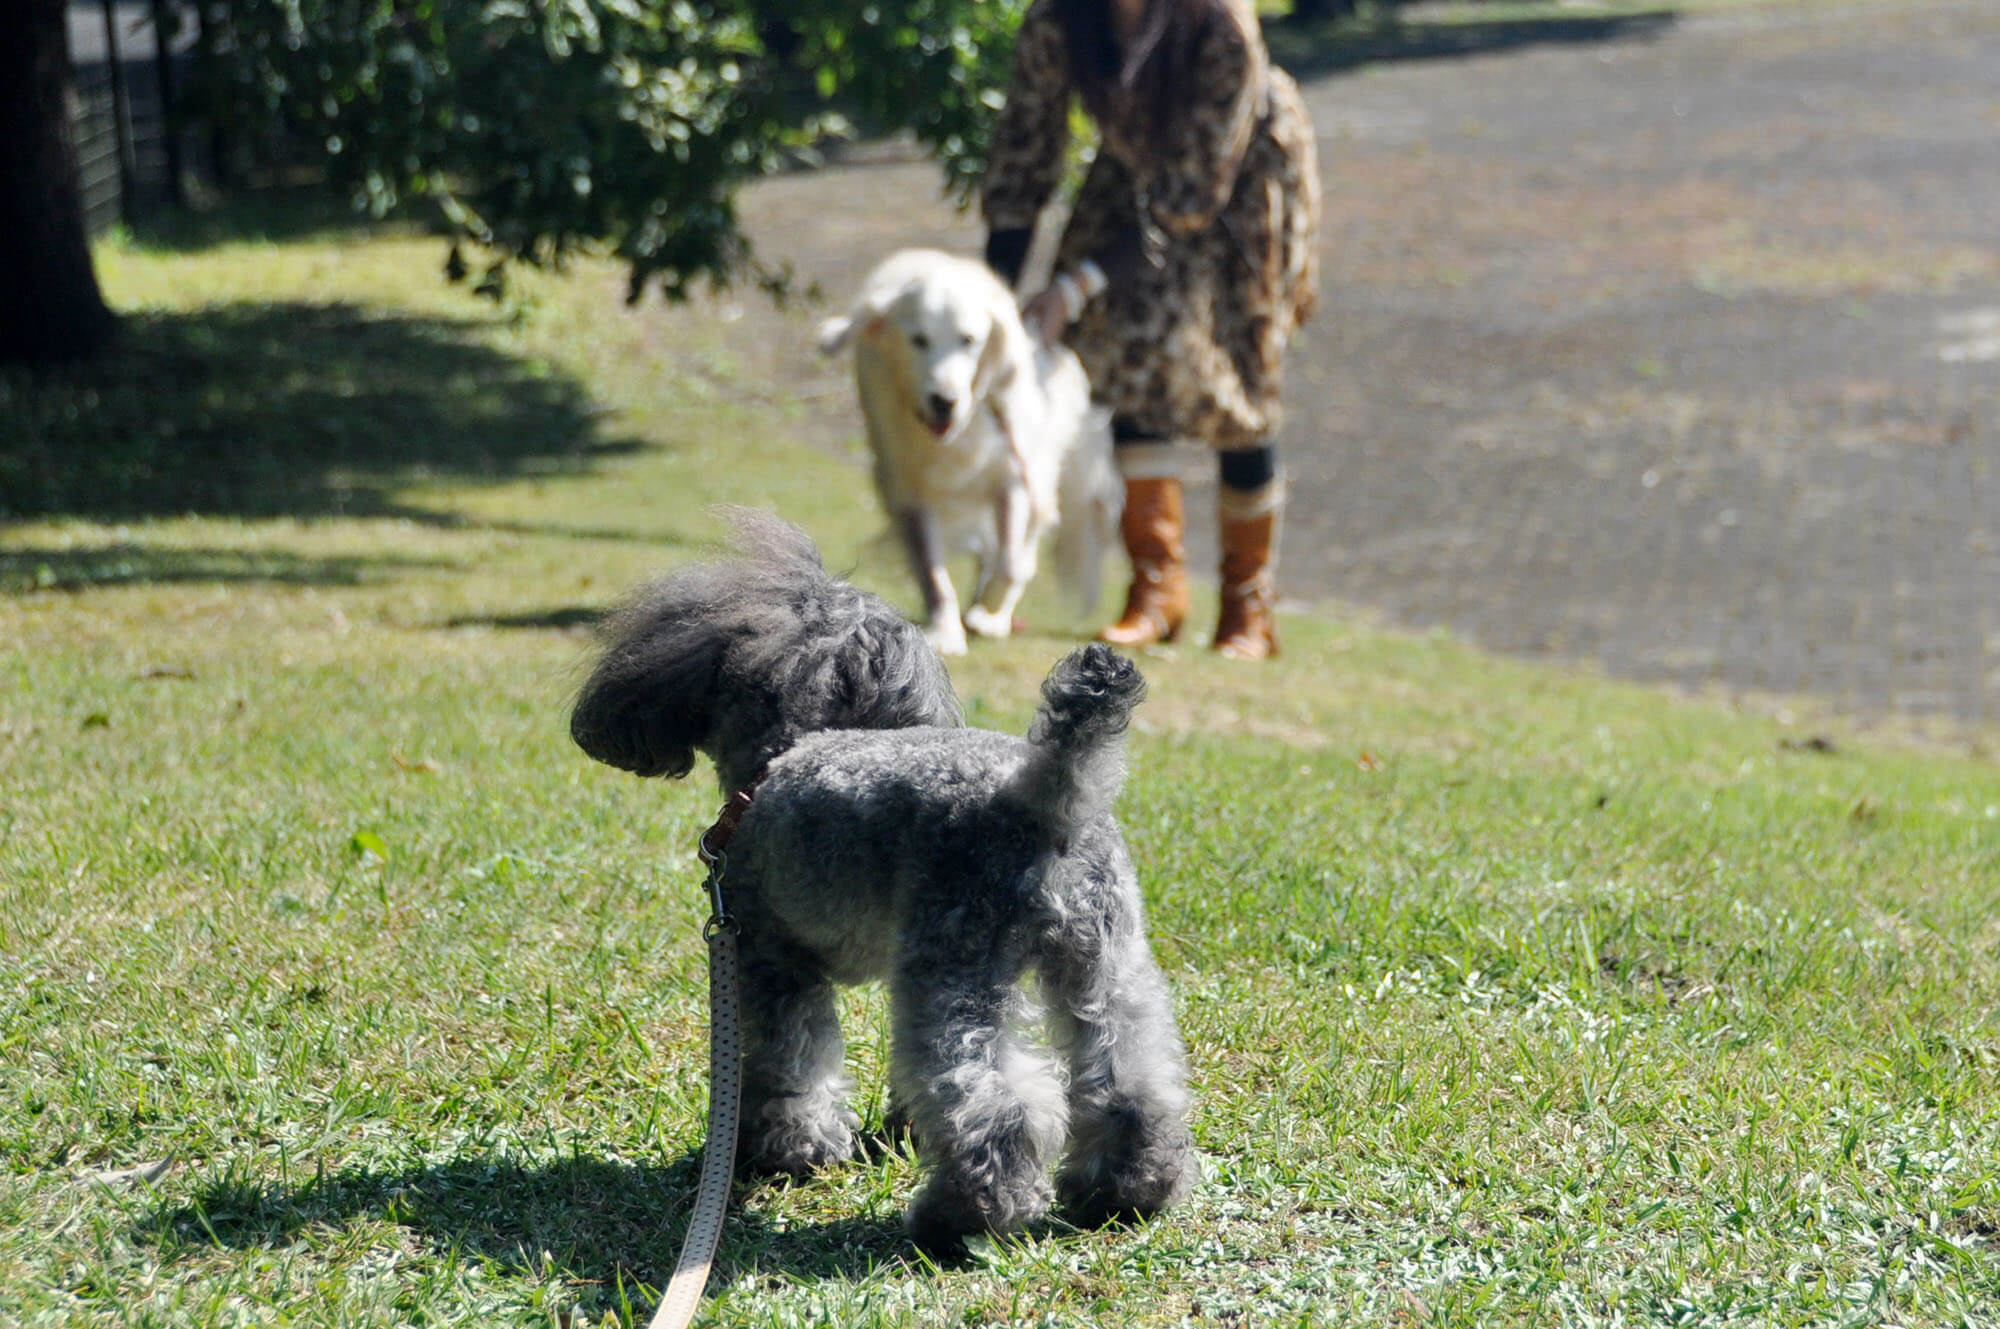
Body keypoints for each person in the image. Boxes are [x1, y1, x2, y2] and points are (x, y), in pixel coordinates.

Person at [982, 0, 1320, 658]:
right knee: (1120, 350)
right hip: (1133, 170)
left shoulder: (1221, 24)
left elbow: (1192, 195)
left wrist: (1074, 286)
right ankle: (1157, 588)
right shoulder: (1062, 19)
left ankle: (1247, 607)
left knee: (1240, 377)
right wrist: (992, 306)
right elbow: (1026, 146)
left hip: (1239, 171)